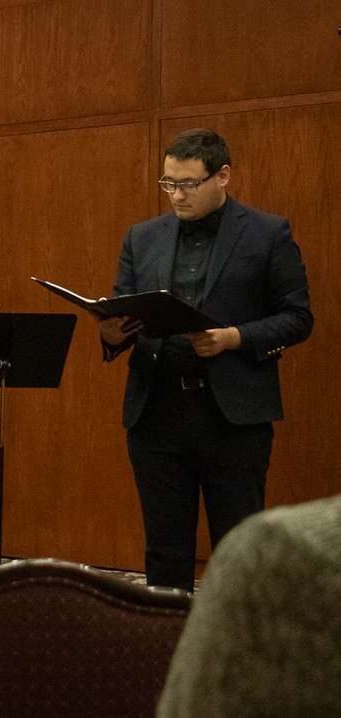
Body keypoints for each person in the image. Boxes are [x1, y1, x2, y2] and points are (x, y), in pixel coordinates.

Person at [100, 128, 312, 591]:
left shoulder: (267, 233)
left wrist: (234, 337)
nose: (176, 195)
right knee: (164, 548)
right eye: (168, 183)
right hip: (155, 412)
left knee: (238, 550)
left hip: (232, 417)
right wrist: (113, 333)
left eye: (188, 184)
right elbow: (122, 308)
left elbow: (298, 318)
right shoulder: (142, 237)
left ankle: (237, 656)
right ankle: (169, 654)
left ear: (223, 177)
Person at [155, 494, 341, 717]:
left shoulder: (278, 553)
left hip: (236, 463)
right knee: (165, 556)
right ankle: (165, 671)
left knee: (236, 549)